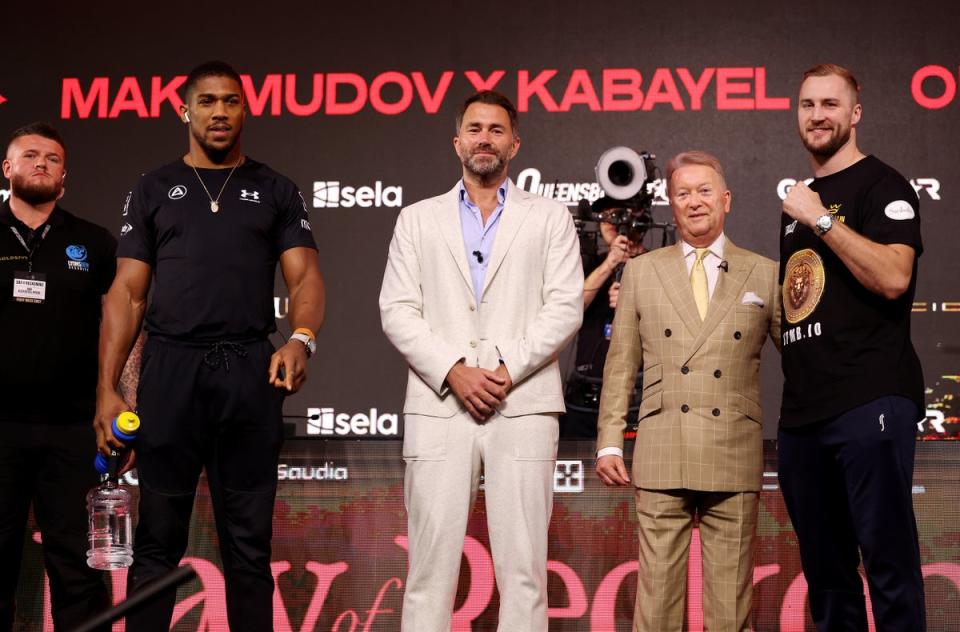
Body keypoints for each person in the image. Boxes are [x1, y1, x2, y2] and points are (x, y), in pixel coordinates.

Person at [94, 61, 325, 632]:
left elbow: (306, 280)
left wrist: (300, 338)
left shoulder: (276, 189)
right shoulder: (152, 187)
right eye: (207, 102)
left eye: (230, 101)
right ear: (185, 110)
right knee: (156, 544)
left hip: (248, 371)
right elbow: (127, 295)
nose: (219, 112)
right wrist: (106, 389)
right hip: (170, 370)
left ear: (245, 109)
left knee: (248, 548)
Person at [379, 90, 583, 631]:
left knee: (525, 575)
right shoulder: (417, 219)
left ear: (514, 143)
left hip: (524, 404)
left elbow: (564, 308)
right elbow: (396, 310)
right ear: (457, 142)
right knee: (429, 572)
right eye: (475, 129)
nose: (485, 139)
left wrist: (502, 372)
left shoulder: (550, 216)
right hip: (439, 407)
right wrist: (453, 370)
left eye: (496, 130)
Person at [596, 150, 780, 631]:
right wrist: (611, 439)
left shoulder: (764, 272)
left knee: (729, 610)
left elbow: (802, 361)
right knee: (655, 608)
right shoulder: (642, 271)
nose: (694, 202)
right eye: (682, 193)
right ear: (670, 204)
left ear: (726, 200)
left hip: (733, 448)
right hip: (662, 447)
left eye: (703, 191)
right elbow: (622, 365)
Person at [778, 63, 926, 631]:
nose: (818, 115)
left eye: (831, 105)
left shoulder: (882, 185)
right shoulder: (798, 202)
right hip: (803, 416)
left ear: (855, 114)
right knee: (827, 579)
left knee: (890, 569)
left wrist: (820, 220)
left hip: (870, 400)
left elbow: (893, 277)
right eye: (808, 104)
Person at [0, 123, 113, 630]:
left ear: (64, 176)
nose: (41, 163)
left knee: (78, 567)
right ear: (7, 169)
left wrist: (120, 401)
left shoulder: (93, 241)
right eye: (29, 155)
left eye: (52, 158)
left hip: (71, 428)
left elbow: (121, 329)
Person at [561, 219, 646, 437]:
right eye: (609, 215)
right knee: (579, 467)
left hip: (637, 397)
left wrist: (633, 304)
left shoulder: (653, 264)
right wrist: (610, 263)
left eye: (624, 214)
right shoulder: (586, 262)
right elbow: (569, 308)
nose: (617, 222)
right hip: (584, 397)